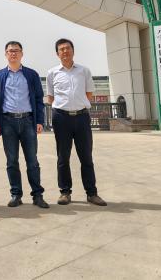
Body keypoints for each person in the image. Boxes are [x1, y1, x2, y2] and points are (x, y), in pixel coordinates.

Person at [47, 38, 106, 206]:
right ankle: (65, 192)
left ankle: (92, 193)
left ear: (73, 51)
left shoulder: (84, 71)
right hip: (61, 118)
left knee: (86, 156)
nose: (65, 51)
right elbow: (51, 97)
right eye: (61, 49)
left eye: (68, 48)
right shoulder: (52, 73)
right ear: (57, 53)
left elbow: (89, 94)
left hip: (81, 118)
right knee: (63, 157)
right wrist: (64, 108)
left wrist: (78, 106)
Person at [0, 41, 49, 209]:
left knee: (32, 160)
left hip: (28, 121)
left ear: (22, 53)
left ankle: (37, 195)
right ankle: (16, 194)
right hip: (7, 122)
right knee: (12, 161)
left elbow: (39, 99)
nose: (13, 53)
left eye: (16, 51)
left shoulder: (31, 74)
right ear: (5, 54)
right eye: (10, 51)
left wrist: (40, 121)